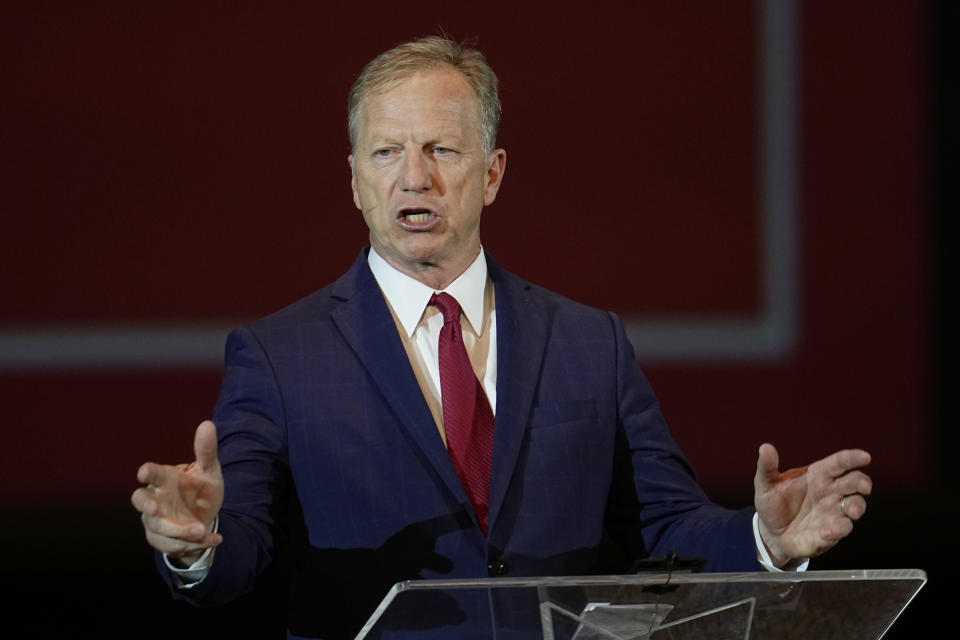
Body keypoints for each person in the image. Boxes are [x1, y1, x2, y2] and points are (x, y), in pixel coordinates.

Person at [131, 36, 872, 639]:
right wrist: (197, 543)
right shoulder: (279, 356)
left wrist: (766, 542)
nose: (413, 178)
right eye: (387, 152)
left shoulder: (590, 341)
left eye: (441, 151)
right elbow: (242, 554)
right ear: (354, 179)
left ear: (491, 174)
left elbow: (667, 524)